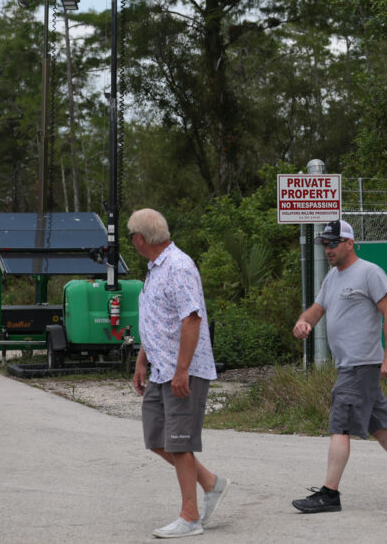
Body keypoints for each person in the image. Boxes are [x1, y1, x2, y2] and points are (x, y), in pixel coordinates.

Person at [291, 219, 387, 513]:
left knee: (340, 425)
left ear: (349, 243)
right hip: (349, 365)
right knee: (381, 428)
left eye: (333, 243)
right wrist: (304, 321)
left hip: (361, 364)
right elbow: (318, 308)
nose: (328, 249)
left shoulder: (370, 272)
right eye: (324, 244)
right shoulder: (332, 278)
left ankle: (329, 494)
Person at [128, 208, 230, 539]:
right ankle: (211, 483)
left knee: (179, 443)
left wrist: (182, 370)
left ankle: (190, 517)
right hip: (161, 370)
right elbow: (157, 319)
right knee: (157, 439)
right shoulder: (155, 269)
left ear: (140, 238)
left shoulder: (179, 267)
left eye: (131, 236)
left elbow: (192, 319)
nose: (131, 242)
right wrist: (142, 359)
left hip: (182, 371)